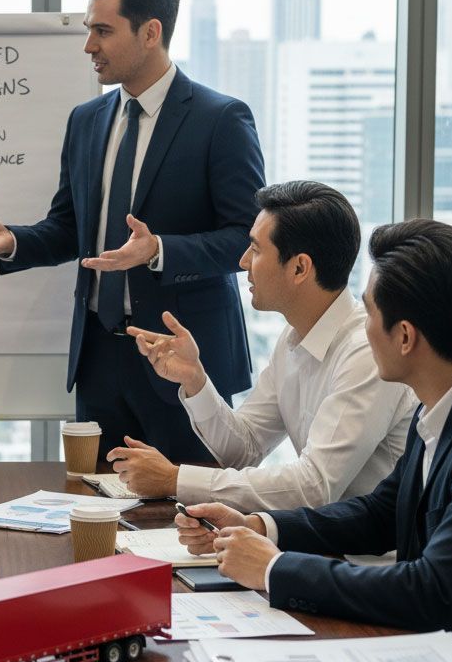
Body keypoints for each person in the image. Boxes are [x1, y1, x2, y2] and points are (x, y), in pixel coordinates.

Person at [0, 0, 263, 462]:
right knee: (96, 515)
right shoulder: (87, 120)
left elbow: (247, 238)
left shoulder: (220, 118)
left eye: (102, 31)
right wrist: (11, 241)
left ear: (151, 32)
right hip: (98, 358)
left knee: (187, 522)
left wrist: (158, 250)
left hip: (182, 358)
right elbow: (72, 228)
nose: (89, 45)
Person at [177, 219, 452, 652]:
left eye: (371, 313)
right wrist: (261, 526)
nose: (364, 327)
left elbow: (432, 590)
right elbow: (382, 514)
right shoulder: (438, 407)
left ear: (406, 337)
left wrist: (275, 569)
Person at [112, 181, 416, 510]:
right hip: (319, 542)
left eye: (256, 250)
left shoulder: (364, 354)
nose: (243, 262)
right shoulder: (292, 338)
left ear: (300, 267)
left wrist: (174, 479)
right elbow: (245, 449)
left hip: (366, 557)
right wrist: (195, 381)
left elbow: (314, 486)